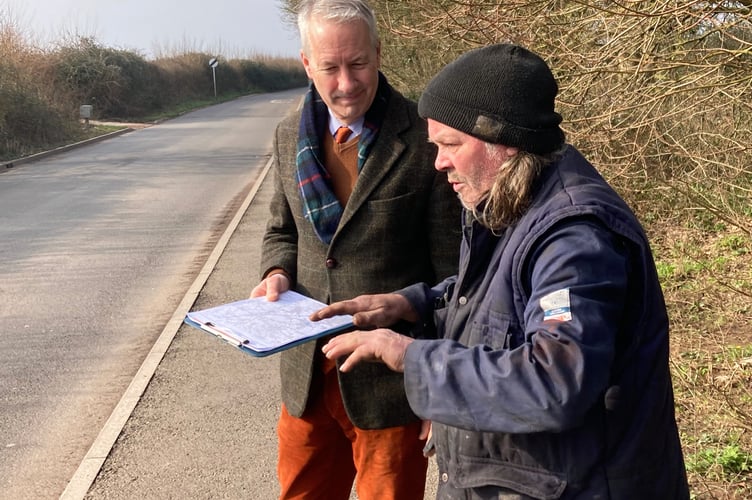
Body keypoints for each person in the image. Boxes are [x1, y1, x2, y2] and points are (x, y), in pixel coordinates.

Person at [314, 43, 690, 499]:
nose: (438, 162)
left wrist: (408, 355)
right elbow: (501, 295)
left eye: (450, 144)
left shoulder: (574, 238)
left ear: (505, 142)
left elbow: (554, 380)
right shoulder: (514, 196)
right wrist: (413, 304)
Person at [250, 0, 462, 498]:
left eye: (358, 64)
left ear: (379, 53)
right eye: (330, 67)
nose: (346, 84)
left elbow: (454, 272)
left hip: (390, 389)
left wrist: (442, 388)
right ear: (307, 64)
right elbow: (281, 231)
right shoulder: (287, 136)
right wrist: (276, 271)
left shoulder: (427, 138)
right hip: (305, 378)